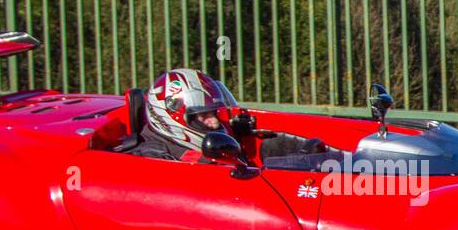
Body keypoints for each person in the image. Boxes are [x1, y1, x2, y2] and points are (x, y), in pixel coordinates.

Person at [131, 69, 326, 163]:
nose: (215, 121)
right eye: (203, 116)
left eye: (214, 113)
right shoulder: (153, 157)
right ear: (171, 117)